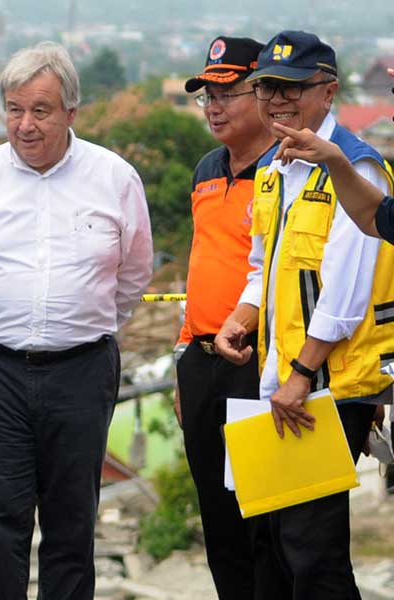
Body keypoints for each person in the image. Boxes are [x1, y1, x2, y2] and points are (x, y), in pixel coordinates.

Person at [0, 41, 153, 599]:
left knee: (71, 523)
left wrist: (83, 324)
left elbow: (133, 275)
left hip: (82, 372)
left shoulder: (115, 178)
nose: (26, 124)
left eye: (41, 110)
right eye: (15, 109)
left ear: (71, 114)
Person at [214, 31, 394, 599]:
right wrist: (241, 319)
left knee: (313, 552)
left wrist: (299, 374)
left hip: (324, 386)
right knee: (275, 543)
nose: (277, 100)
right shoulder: (276, 167)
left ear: (330, 92)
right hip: (283, 381)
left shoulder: (357, 168)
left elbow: (346, 290)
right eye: (267, 86)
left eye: (293, 87)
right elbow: (261, 268)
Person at [174, 36, 276, 600]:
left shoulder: (286, 171)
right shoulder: (206, 169)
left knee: (265, 517)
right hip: (202, 361)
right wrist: (184, 354)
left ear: (262, 93)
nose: (214, 106)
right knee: (217, 517)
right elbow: (200, 265)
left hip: (258, 363)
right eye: (206, 95)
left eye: (226, 93)